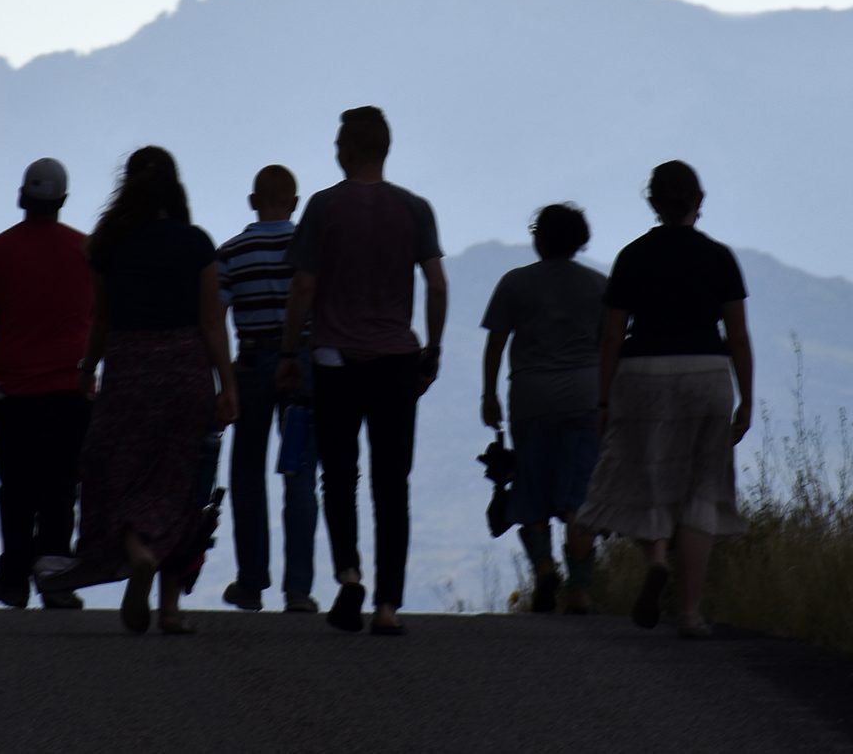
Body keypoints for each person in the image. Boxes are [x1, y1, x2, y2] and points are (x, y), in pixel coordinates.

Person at [278, 106, 447, 636]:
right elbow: (437, 283)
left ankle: (349, 575)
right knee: (392, 482)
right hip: (397, 359)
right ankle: (388, 606)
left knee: (339, 476)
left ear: (348, 150)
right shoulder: (415, 208)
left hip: (335, 360)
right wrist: (433, 348)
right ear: (385, 149)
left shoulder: (324, 207)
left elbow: (303, 286)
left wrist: (288, 352)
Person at [59, 146, 238, 634]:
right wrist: (227, 384)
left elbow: (101, 319)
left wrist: (87, 369)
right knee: (181, 487)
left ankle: (137, 550)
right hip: (185, 371)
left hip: (129, 372)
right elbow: (211, 321)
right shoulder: (197, 244)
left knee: (112, 474)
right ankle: (171, 609)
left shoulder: (108, 245)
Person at [574, 160, 754, 640]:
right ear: (699, 201)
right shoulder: (719, 258)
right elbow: (738, 336)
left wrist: (604, 400)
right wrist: (746, 399)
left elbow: (612, 336)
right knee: (702, 492)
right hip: (707, 373)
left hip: (643, 373)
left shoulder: (632, 257)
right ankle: (690, 614)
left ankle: (656, 557)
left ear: (653, 202)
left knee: (643, 476)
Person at [0, 158, 91, 611]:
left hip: (10, 393)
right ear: (63, 200)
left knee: (15, 487)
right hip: (70, 390)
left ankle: (13, 579)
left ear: (21, 197)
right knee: (61, 485)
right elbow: (103, 322)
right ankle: (54, 578)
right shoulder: (86, 252)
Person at [479, 203, 608, 615]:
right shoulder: (600, 286)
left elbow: (496, 343)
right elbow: (611, 348)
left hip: (531, 399)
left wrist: (488, 395)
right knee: (579, 494)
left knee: (531, 485)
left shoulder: (515, 283)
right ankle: (580, 589)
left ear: (538, 238)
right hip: (585, 398)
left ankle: (544, 569)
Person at [217, 165, 321, 614]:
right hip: (303, 369)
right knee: (300, 474)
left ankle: (251, 582)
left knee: (247, 472)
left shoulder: (231, 253)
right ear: (295, 203)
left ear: (252, 202)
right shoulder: (313, 251)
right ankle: (298, 590)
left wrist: (222, 380)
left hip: (253, 366)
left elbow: (214, 318)